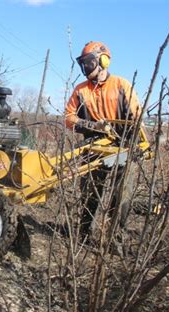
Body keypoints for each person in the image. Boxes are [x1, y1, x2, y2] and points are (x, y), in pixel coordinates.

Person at [64, 41, 141, 242]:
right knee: (89, 192)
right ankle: (82, 235)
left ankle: (115, 239)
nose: (85, 68)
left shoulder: (122, 85)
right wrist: (92, 126)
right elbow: (69, 118)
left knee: (121, 195)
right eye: (83, 64)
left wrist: (134, 144)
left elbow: (137, 117)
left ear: (103, 61)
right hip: (94, 146)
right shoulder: (81, 90)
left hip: (122, 146)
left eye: (89, 63)